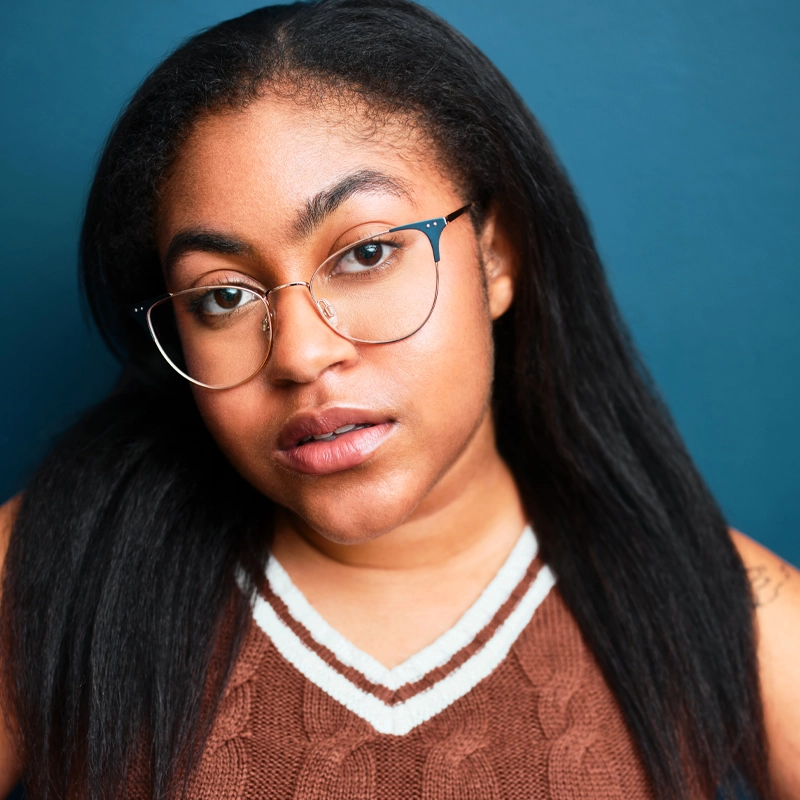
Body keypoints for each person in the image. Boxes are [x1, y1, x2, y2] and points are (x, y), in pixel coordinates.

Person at [1, 1, 798, 798]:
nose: (303, 354)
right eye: (223, 297)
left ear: (495, 256)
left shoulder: (727, 606)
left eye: (368, 253)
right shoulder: (50, 572)